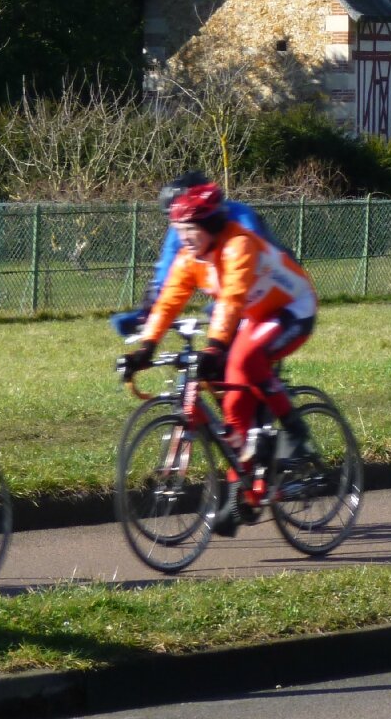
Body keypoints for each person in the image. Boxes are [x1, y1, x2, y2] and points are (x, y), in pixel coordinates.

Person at [123, 178, 318, 532]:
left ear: (210, 225)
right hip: (254, 315)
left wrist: (215, 347)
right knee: (231, 406)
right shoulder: (191, 257)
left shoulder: (238, 245)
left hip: (291, 308)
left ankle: (294, 431)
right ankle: (244, 489)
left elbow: (231, 299)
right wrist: (145, 348)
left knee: (244, 360)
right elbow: (168, 302)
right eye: (178, 230)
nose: (183, 239)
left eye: (189, 230)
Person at [110, 173, 275, 338]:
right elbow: (166, 270)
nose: (180, 226)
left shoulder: (240, 215)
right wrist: (146, 312)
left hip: (262, 288)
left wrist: (227, 306)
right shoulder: (180, 228)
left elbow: (253, 263)